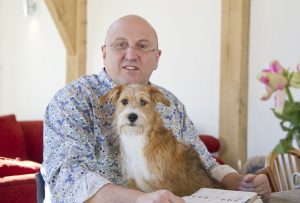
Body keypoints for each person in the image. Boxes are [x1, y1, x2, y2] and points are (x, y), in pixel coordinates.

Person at [41, 15, 271, 203]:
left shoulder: (170, 103)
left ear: (157, 58)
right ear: (104, 53)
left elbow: (205, 161)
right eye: (120, 45)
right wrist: (139, 199)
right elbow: (66, 176)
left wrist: (239, 182)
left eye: (142, 46)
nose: (131, 54)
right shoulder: (72, 99)